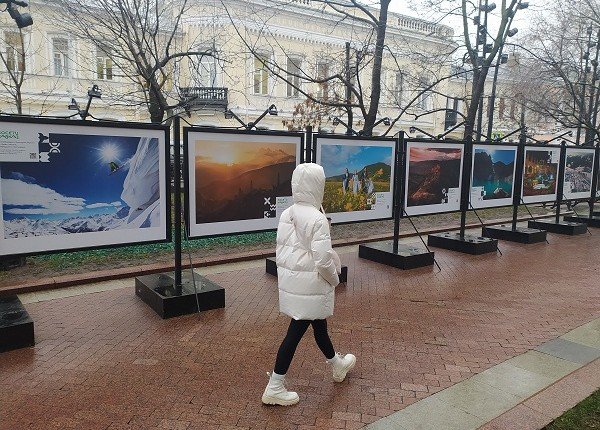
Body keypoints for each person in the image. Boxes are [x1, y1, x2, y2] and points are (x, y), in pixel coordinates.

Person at [262, 163, 356, 406]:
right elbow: (324, 261)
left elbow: (284, 251)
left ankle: (337, 365)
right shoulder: (317, 218)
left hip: (296, 285)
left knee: (319, 327)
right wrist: (335, 280)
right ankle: (275, 385)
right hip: (312, 285)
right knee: (295, 333)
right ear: (318, 186)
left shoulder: (287, 213)